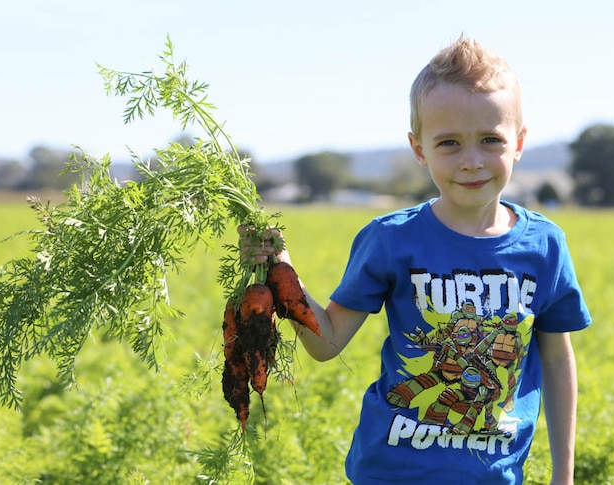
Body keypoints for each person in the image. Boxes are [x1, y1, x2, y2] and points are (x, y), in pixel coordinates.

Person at [241, 35, 591, 485]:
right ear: (419, 148)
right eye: (449, 143)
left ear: (518, 142)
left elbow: (558, 361)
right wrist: (281, 269)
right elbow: (325, 344)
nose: (471, 161)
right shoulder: (391, 239)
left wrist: (565, 475)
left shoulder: (545, 246)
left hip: (495, 476)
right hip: (392, 471)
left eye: (490, 140)